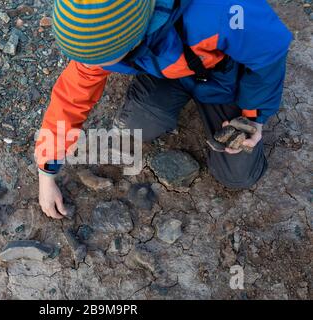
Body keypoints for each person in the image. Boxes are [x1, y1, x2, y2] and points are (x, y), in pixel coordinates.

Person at [35, 0, 292, 219]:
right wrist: (46, 172)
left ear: (133, 35)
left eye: (98, 59)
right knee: (133, 130)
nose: (88, 64)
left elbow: (269, 53)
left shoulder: (221, 12)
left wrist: (254, 117)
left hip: (223, 79)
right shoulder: (95, 43)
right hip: (164, 72)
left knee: (239, 176)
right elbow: (70, 100)